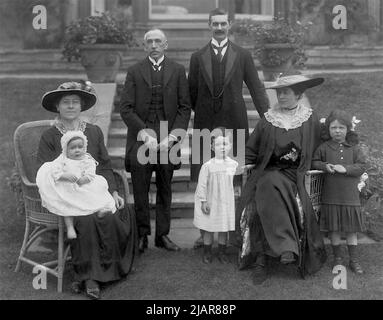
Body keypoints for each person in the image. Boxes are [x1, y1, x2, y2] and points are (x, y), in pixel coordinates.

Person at [37, 81, 131, 300]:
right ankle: (89, 277)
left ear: (81, 107)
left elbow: (105, 165)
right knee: (86, 220)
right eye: (66, 103)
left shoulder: (94, 132)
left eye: (75, 103)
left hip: (94, 188)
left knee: (114, 213)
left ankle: (112, 268)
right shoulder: (50, 136)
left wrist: (115, 192)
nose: (71, 107)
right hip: (65, 192)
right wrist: (65, 180)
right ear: (57, 107)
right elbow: (43, 169)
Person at [189, 8, 269, 248]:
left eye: (223, 23)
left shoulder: (243, 55)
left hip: (235, 122)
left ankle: (233, 230)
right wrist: (204, 110)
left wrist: (267, 117)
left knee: (234, 179)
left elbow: (255, 87)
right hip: (205, 124)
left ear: (229, 25)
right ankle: (204, 233)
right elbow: (192, 91)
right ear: (209, 25)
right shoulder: (197, 56)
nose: (220, 28)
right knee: (205, 178)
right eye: (215, 24)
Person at [237, 74, 327, 285]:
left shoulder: (309, 118)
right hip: (269, 171)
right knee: (267, 184)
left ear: (298, 94)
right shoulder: (268, 119)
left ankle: (267, 256)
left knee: (268, 188)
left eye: (286, 92)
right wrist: (237, 164)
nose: (281, 96)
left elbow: (320, 148)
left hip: (296, 174)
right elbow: (251, 149)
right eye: (279, 93)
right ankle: (285, 248)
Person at [119, 29, 191, 254]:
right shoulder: (134, 71)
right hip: (142, 138)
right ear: (144, 46)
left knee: (165, 187)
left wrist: (173, 136)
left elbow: (184, 107)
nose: (153, 45)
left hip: (168, 138)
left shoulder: (178, 70)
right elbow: (126, 108)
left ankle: (162, 235)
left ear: (165, 45)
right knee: (139, 188)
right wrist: (143, 132)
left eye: (157, 41)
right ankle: (142, 235)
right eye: (149, 41)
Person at [312, 109, 366, 274]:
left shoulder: (354, 148)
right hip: (331, 196)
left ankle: (354, 260)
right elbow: (315, 161)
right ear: (328, 129)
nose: (337, 131)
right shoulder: (324, 147)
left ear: (348, 129)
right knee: (334, 229)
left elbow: (362, 166)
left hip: (350, 197)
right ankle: (337, 259)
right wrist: (324, 166)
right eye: (334, 127)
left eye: (341, 128)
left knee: (351, 230)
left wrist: (346, 169)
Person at [36, 131, 117, 240]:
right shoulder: (62, 160)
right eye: (73, 148)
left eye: (80, 147)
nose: (77, 150)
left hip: (84, 185)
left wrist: (85, 179)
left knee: (98, 191)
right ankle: (70, 227)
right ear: (66, 149)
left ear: (85, 147)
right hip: (68, 187)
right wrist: (64, 176)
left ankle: (101, 209)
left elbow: (91, 173)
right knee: (66, 205)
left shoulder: (87, 160)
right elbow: (55, 171)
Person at [194, 128, 238, 264]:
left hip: (225, 202)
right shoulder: (207, 166)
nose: (222, 148)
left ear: (230, 146)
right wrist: (203, 201)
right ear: (212, 147)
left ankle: (222, 252)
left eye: (225, 144)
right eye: (218, 145)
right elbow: (201, 185)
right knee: (209, 227)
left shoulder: (233, 164)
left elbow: (234, 182)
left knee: (223, 228)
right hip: (211, 201)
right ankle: (207, 252)